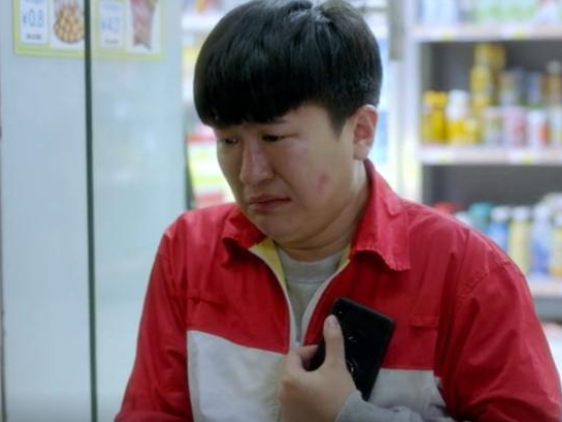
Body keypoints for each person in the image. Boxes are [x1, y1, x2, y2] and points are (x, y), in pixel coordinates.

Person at [115, 1, 562, 421]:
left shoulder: (469, 274)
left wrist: (351, 415)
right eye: (228, 141)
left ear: (361, 131)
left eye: (274, 138)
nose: (250, 173)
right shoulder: (189, 251)